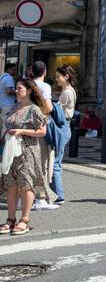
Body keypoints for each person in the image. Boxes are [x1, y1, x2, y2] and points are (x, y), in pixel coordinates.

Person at [0, 78, 51, 234]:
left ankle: (25, 219)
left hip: (27, 151)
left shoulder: (34, 109)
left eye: (19, 88)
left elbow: (42, 132)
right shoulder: (15, 107)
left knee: (26, 184)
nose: (16, 91)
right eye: (16, 88)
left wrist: (22, 131)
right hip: (10, 152)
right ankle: (10, 219)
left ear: (29, 91)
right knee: (11, 185)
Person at [27, 61, 56, 211]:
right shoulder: (45, 87)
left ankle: (26, 197)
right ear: (44, 72)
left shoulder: (27, 84)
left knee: (28, 163)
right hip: (41, 127)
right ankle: (40, 198)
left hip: (27, 128)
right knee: (43, 164)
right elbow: (49, 107)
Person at [49, 66, 77, 205]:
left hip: (63, 126)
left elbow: (57, 110)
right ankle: (54, 193)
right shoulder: (67, 91)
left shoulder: (67, 92)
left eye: (58, 76)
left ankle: (58, 195)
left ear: (66, 77)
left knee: (55, 163)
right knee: (55, 161)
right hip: (64, 126)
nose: (56, 79)